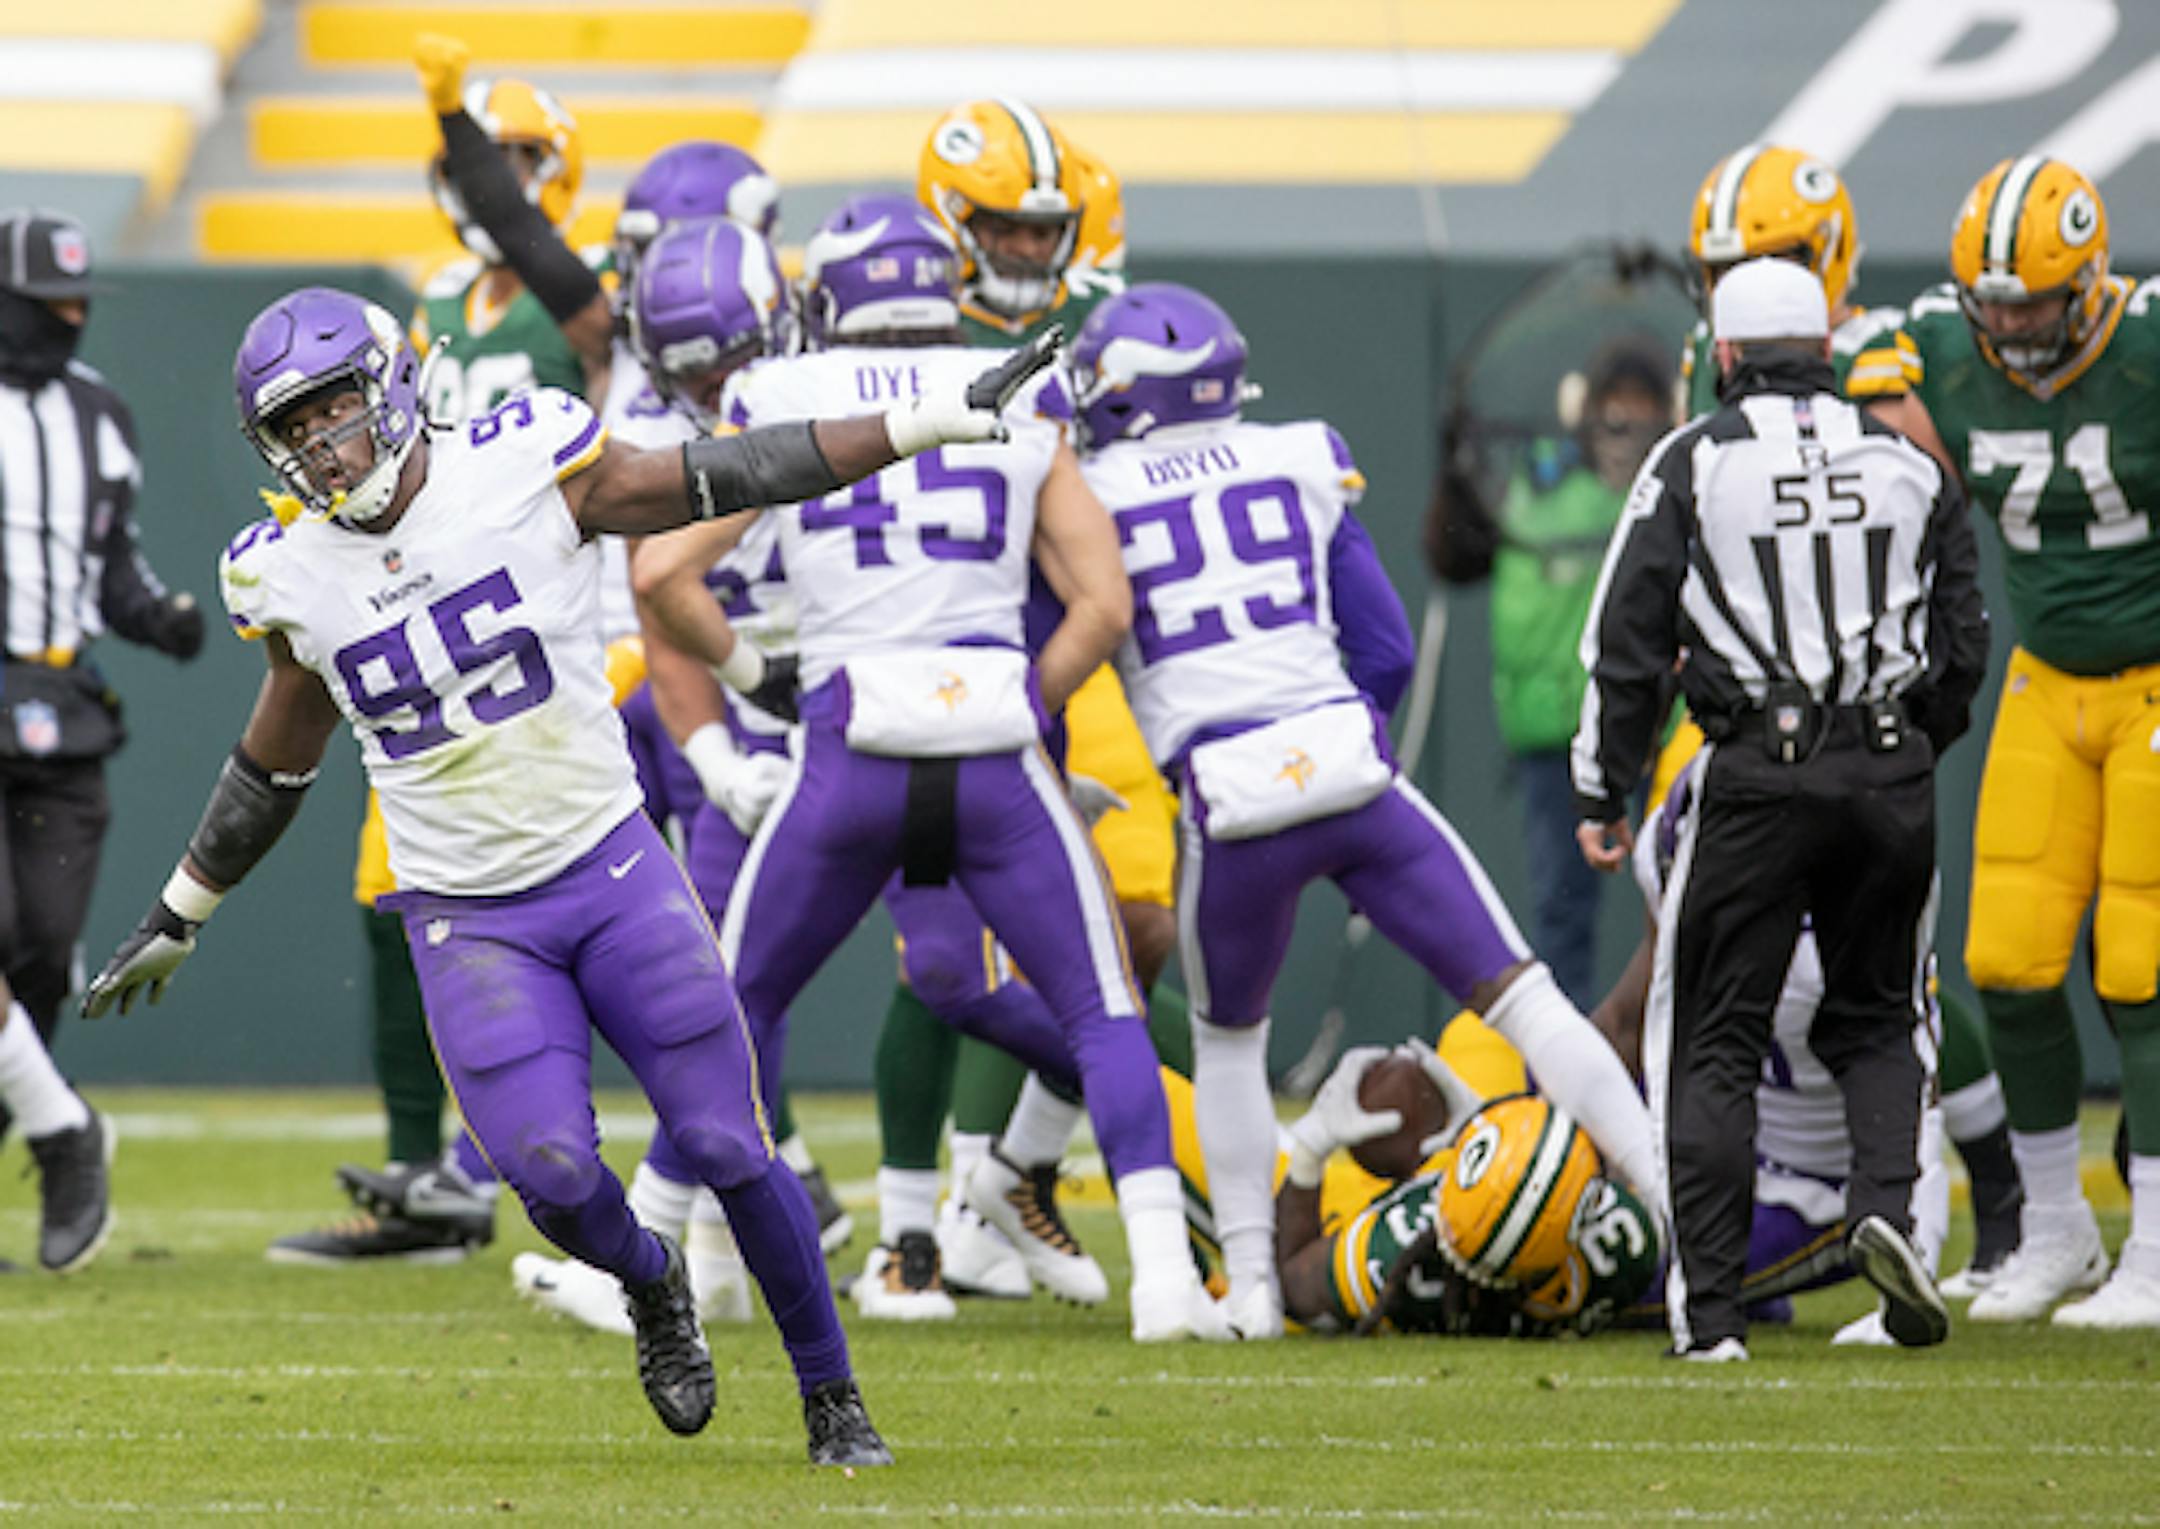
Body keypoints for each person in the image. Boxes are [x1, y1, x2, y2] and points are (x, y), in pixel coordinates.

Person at [80, 283, 1049, 1459]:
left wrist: (917, 424)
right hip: (469, 916)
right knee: (548, 1173)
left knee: (730, 1140)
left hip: (611, 867)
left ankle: (833, 1397)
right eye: (293, 429)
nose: (320, 446)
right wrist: (185, 906)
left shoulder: (528, 462)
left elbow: (725, 472)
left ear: (389, 387)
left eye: (333, 408)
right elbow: (276, 752)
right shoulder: (285, 572)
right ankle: (650, 1280)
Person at [669, 194, 1228, 1342]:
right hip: (989, 737)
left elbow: (659, 575)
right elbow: (1103, 602)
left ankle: (674, 1248)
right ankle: (1167, 1279)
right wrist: (1021, 699)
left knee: (734, 1003)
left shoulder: (780, 393)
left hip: (848, 734)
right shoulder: (1018, 383)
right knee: (1105, 1004)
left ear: (830, 298)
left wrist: (755, 678)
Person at [1069, 281, 1664, 1341]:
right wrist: (1355, 748)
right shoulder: (1296, 455)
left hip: (1227, 794)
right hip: (1346, 767)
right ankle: (1675, 1205)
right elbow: (1384, 646)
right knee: (1525, 997)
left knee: (1231, 1043)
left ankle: (1250, 1284)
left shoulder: (1087, 492)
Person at [1573, 258, 1987, 1359]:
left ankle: (1709, 1319)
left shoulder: (1695, 459)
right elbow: (1964, 634)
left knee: (1713, 1035)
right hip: (1892, 765)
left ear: (1723, 354)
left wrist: (1603, 782)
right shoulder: (1905, 458)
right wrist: (1906, 744)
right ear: (1828, 346)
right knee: (1881, 1016)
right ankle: (1888, 1218)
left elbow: (1626, 637)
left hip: (1761, 764)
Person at [1675, 148, 2026, 1291]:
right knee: (1742, 974)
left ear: (1822, 260)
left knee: (1882, 982)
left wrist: (1911, 708)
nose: (1742, 283)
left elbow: (1928, 523)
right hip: (1737, 706)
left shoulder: (1868, 361)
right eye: (1725, 265)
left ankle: (1978, 1203)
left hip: (1843, 710)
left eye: (1763, 261)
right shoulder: (1711, 358)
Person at [1857, 157, 2160, 1327]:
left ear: (2089, 281)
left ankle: (2153, 1249)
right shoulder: (1934, 340)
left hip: (2151, 680)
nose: (2016, 323)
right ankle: (2056, 1230)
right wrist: (1869, 385)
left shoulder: (2144, 352)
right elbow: (1839, 346)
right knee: (2010, 963)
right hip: (2046, 676)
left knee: (2141, 971)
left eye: (2036, 299)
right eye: (1999, 302)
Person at [1595, 752, 1953, 1346]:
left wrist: (1919, 1246)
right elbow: (1628, 1021)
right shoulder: (1680, 830)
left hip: (1816, 1196)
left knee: (1608, 1275)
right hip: (1732, 1142)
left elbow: (1918, 1063)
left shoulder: (1864, 892)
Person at [0, 207, 202, 1242]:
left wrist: (162, 616)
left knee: (40, 952)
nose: (71, 316)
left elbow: (114, 564)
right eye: (48, 304)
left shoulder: (100, 413)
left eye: (79, 301)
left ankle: (45, 1120)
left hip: (66, 706)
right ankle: (62, 1128)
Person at [1423, 336, 1674, 1005]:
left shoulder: (1677, 487)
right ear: (1582, 409)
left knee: (1686, 907)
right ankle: (1559, 1088)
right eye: (1611, 406)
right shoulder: (1534, 480)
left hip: (1658, 727)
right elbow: (1452, 556)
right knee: (1561, 916)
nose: (1623, 422)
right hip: (1552, 737)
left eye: (1640, 408)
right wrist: (1458, 468)